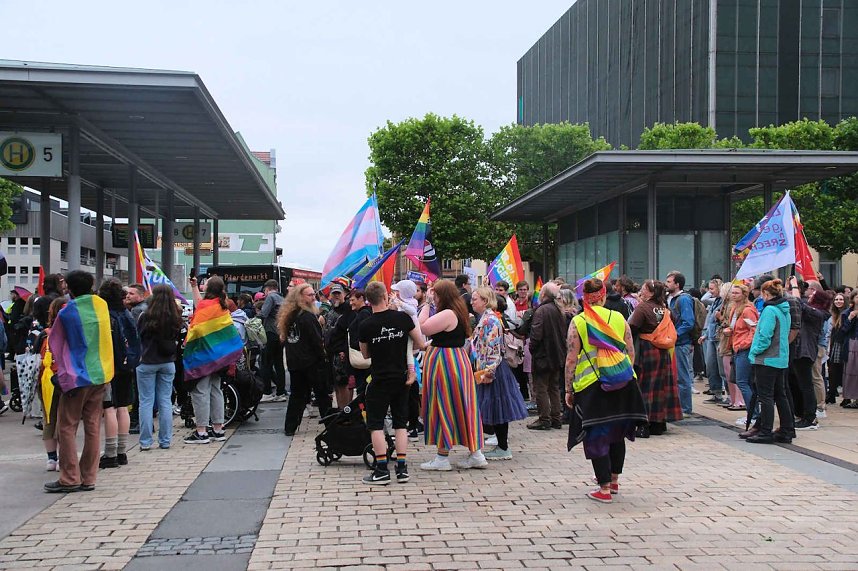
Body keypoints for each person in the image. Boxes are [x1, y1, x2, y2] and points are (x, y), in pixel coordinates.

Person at [565, 278, 647, 503]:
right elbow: (630, 351)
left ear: (584, 299)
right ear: (602, 296)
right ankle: (614, 481)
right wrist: (621, 373)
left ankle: (603, 489)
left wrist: (568, 388)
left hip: (592, 385)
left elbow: (572, 357)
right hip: (623, 383)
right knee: (616, 432)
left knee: (597, 433)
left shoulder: (579, 321)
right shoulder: (619, 318)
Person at [45, 270, 114, 493]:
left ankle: (69, 477)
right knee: (93, 426)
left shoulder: (68, 313)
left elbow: (55, 343)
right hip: (101, 373)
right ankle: (89, 477)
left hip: (77, 376)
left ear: (69, 288)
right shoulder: (101, 305)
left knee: (66, 426)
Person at [359, 281, 425, 485]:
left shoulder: (366, 325)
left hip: (379, 378)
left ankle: (381, 470)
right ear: (386, 296)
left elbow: (365, 353)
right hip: (402, 378)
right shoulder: (402, 318)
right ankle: (402, 468)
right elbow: (420, 342)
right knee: (400, 422)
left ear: (368, 301)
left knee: (376, 424)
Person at [418, 279, 485, 470]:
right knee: (464, 404)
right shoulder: (459, 310)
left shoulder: (447, 312)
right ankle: (476, 453)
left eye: (435, 294)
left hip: (444, 362)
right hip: (456, 359)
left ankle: (442, 457)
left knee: (443, 404)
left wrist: (427, 304)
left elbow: (423, 327)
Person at [183, 276, 243, 444]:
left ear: (209, 288)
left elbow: (197, 328)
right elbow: (201, 305)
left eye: (205, 283)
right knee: (216, 390)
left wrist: (189, 337)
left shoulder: (206, 306)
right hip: (219, 357)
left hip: (203, 356)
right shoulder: (222, 304)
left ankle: (201, 431)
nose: (203, 284)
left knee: (200, 392)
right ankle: (218, 428)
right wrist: (194, 287)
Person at [470, 287, 528, 461]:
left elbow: (493, 347)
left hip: (492, 369)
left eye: (475, 299)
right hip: (489, 367)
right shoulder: (487, 318)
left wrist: (488, 370)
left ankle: (503, 446)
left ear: (485, 301)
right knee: (495, 407)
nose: (472, 302)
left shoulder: (490, 320)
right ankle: (501, 445)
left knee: (497, 405)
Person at [628, 280, 682, 437]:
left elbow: (631, 327)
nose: (641, 291)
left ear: (651, 293)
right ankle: (658, 424)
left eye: (644, 289)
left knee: (646, 387)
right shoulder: (664, 309)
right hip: (663, 351)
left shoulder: (643, 308)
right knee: (661, 387)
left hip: (646, 350)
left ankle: (644, 425)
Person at [745, 279, 795, 444]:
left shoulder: (769, 310)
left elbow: (765, 336)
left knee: (765, 396)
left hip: (767, 358)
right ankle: (787, 430)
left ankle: (765, 431)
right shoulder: (784, 309)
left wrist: (755, 351)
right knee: (781, 395)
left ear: (766, 294)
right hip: (780, 358)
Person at [279, 283, 332, 436]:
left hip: (295, 362)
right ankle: (330, 424)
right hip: (312, 363)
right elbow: (317, 341)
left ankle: (290, 427)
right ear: (300, 297)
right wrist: (324, 358)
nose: (313, 297)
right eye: (310, 295)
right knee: (322, 395)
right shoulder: (307, 317)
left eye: (313, 294)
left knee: (297, 396)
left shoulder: (290, 316)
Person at [98, 278, 141, 465]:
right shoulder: (127, 314)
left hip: (110, 365)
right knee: (123, 406)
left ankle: (110, 453)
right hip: (127, 364)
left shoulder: (105, 315)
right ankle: (122, 451)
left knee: (109, 408)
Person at [135, 285, 182, 449]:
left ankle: (146, 442)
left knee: (146, 402)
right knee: (165, 401)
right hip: (168, 362)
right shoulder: (175, 317)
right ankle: (165, 440)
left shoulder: (144, 316)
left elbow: (138, 338)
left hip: (147, 362)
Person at [789, 278, 829, 430]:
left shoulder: (819, 313)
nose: (809, 297)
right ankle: (800, 412)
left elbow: (798, 303)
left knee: (806, 385)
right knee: (797, 383)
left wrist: (794, 286)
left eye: (813, 297)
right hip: (799, 350)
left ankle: (810, 418)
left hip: (805, 351)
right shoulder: (815, 311)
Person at [527, 282, 567, 430]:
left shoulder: (541, 310)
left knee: (541, 387)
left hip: (544, 354)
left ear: (543, 295)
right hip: (556, 354)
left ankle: (544, 419)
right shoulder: (558, 309)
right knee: (553, 387)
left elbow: (536, 335)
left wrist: (532, 349)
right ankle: (556, 418)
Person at [722, 284, 759, 417]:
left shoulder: (748, 310)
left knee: (743, 382)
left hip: (744, 349)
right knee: (743, 382)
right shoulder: (734, 309)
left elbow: (753, 330)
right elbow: (736, 328)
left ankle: (753, 415)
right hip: (736, 347)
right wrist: (729, 332)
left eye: (737, 293)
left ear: (744, 294)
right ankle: (753, 414)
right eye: (732, 293)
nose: (733, 295)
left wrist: (743, 344)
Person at [666, 271, 695, 415]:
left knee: (682, 376)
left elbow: (688, 322)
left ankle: (685, 408)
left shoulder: (683, 299)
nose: (667, 284)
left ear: (677, 284)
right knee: (676, 377)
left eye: (670, 281)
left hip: (681, 343)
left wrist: (674, 335)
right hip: (673, 343)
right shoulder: (669, 298)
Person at [325, 282, 354, 409]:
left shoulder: (348, 310)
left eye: (339, 293)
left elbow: (350, 332)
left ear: (344, 295)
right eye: (334, 294)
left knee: (344, 383)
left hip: (342, 353)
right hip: (331, 353)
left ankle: (346, 410)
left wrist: (344, 351)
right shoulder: (331, 310)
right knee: (337, 384)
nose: (336, 296)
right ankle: (341, 411)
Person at [258, 279, 287, 402]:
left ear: (268, 289)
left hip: (270, 333)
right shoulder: (282, 299)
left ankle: (267, 392)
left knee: (265, 363)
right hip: (280, 334)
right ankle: (281, 392)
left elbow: (264, 314)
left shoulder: (270, 298)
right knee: (279, 364)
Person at [700, 279, 726, 404]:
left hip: (719, 337)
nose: (710, 292)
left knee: (722, 367)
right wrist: (705, 334)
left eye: (712, 289)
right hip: (710, 336)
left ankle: (729, 395)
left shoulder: (724, 302)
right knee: (711, 366)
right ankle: (716, 393)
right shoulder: (715, 301)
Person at [346, 289, 372, 395]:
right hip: (361, 357)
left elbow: (365, 335)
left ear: (361, 298)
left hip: (362, 358)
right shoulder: (361, 313)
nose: (351, 303)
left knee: (362, 390)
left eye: (353, 300)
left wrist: (357, 346)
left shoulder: (364, 314)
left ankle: (363, 411)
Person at [827, 293, 848, 405]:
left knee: (843, 371)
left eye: (841, 299)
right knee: (832, 370)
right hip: (834, 344)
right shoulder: (833, 314)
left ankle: (845, 396)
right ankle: (831, 393)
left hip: (843, 344)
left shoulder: (846, 313)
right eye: (836, 299)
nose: (838, 301)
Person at [840, 291, 858, 408]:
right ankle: (852, 397)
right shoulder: (847, 313)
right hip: (852, 343)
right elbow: (844, 330)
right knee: (851, 371)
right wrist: (850, 318)